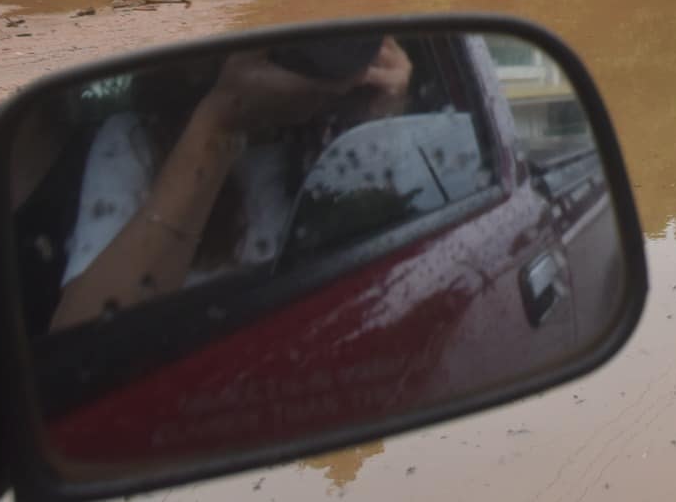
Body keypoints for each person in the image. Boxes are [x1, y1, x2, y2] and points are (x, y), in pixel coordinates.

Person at [48, 39, 411, 332]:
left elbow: (387, 282)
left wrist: (382, 117)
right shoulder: (136, 142)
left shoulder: (340, 133)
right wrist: (218, 126)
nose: (296, 46)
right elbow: (80, 340)